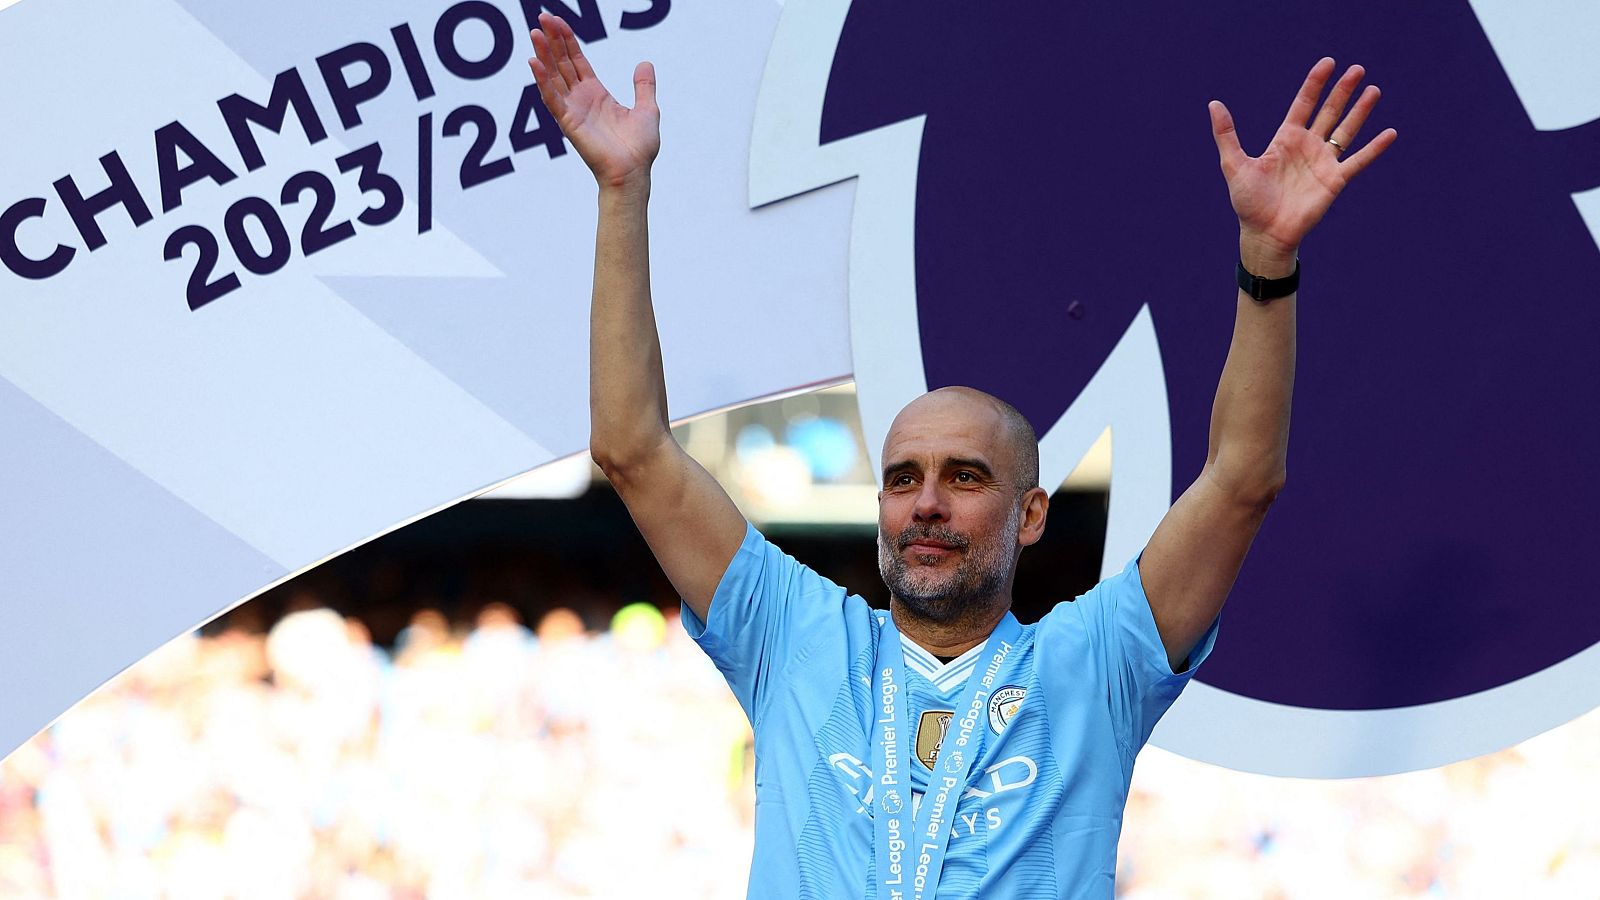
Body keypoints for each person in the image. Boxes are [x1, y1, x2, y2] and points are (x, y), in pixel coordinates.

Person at [527, 13, 1394, 898]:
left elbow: (1242, 480)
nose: (927, 503)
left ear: (1032, 512)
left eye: (965, 476)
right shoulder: (793, 636)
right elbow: (632, 450)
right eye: (902, 479)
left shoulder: (1097, 663)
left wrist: (1266, 259)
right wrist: (621, 192)